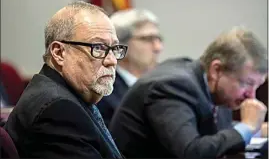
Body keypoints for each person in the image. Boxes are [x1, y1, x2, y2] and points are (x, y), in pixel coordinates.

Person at [109, 26, 268, 158]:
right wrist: (247, 127)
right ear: (216, 70)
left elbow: (211, 131)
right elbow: (191, 153)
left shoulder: (208, 84)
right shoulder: (172, 86)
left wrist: (256, 130)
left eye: (257, 86)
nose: (251, 95)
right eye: (247, 83)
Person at [4, 1, 128, 158]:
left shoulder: (69, 94)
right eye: (98, 48)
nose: (112, 61)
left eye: (114, 48)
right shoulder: (58, 110)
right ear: (59, 53)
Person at [97, 9, 163, 126]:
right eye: (148, 39)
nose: (158, 47)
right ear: (121, 45)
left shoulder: (164, 85)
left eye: (159, 39)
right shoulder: (103, 91)